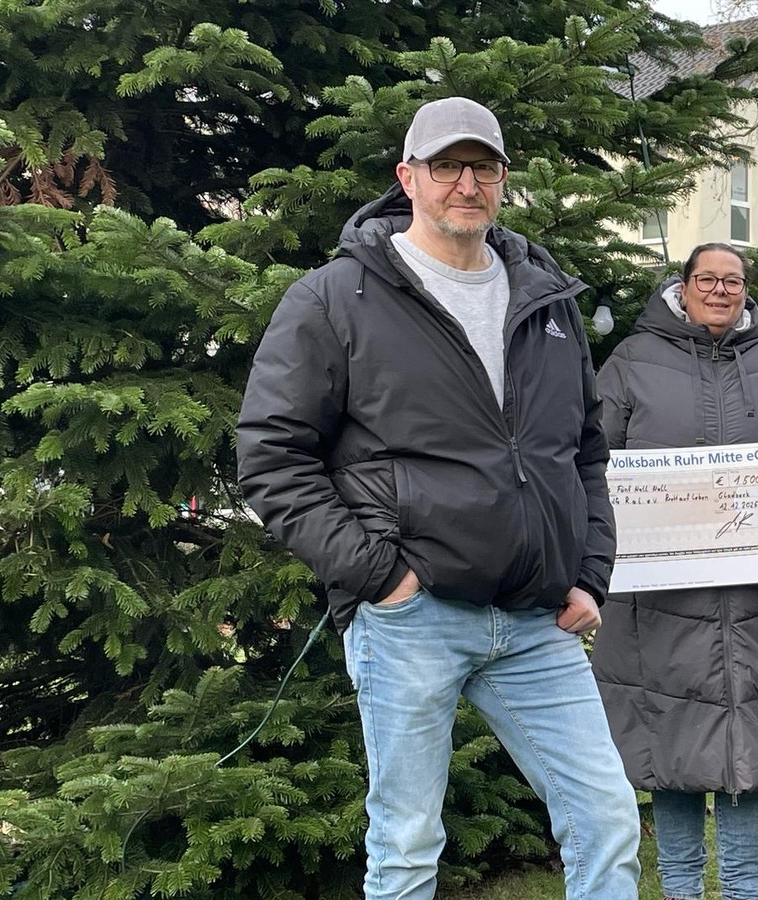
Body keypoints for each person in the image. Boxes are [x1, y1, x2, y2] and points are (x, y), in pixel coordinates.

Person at [236, 96, 641, 900]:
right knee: (408, 844)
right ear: (407, 178)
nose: (467, 183)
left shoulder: (548, 303)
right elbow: (271, 456)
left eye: (483, 166)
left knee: (607, 818)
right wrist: (382, 579)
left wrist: (589, 573)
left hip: (536, 621)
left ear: (502, 181)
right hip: (412, 617)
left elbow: (583, 451)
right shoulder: (335, 298)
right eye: (447, 166)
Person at [591, 243, 758, 900]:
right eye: (707, 279)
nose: (720, 290)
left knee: (748, 759)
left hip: (753, 609)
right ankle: (682, 890)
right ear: (682, 287)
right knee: (671, 757)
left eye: (734, 280)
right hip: (656, 611)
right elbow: (587, 462)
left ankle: (747, 890)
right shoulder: (631, 362)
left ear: (746, 290)